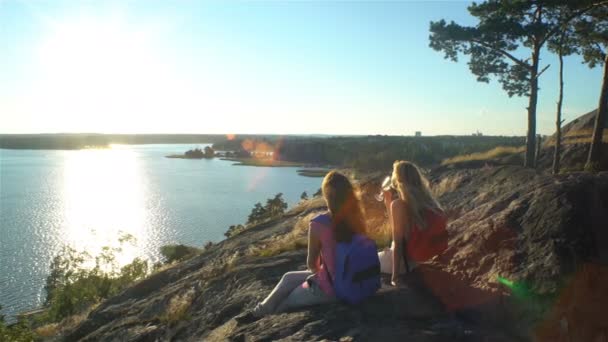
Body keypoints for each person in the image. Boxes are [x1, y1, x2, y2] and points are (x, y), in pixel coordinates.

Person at [238, 171, 367, 320]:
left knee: (284, 303)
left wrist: (317, 277)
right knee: (288, 278)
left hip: (334, 290)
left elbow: (312, 264)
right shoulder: (358, 219)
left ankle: (258, 319)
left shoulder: (320, 223)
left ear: (327, 196)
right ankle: (257, 312)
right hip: (355, 283)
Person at [377, 160, 446, 286]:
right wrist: (388, 203)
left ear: (397, 180)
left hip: (403, 263)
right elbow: (402, 231)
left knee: (364, 260)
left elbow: (398, 242)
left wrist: (395, 277)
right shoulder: (428, 203)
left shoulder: (398, 205)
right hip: (418, 260)